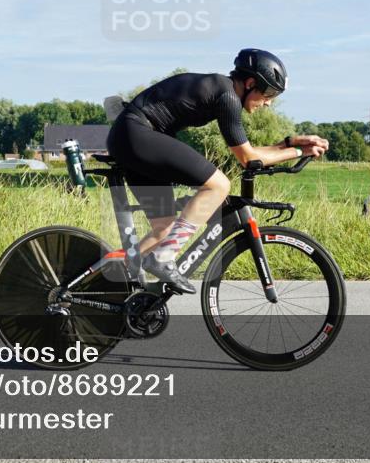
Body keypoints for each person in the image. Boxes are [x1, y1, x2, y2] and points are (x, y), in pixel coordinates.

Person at [106, 48, 329, 293]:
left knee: (165, 228)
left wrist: (289, 144)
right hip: (137, 134)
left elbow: (250, 153)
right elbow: (248, 159)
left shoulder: (222, 90)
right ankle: (162, 258)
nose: (269, 103)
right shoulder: (227, 97)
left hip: (133, 136)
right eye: (269, 93)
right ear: (250, 82)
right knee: (218, 185)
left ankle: (110, 276)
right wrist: (298, 152)